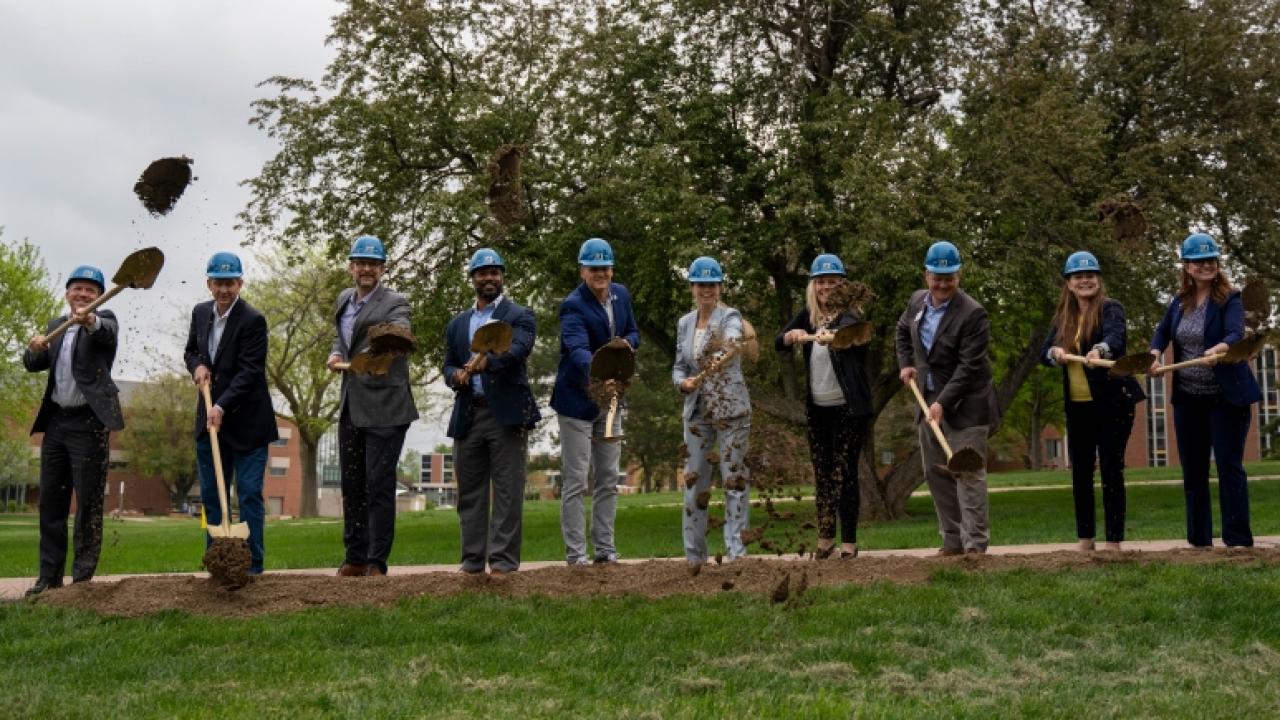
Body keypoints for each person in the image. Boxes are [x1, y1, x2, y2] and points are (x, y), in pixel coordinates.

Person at [1149, 233, 1261, 548]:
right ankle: (1199, 542)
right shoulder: (1178, 302)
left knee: (1228, 466)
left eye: (1210, 260)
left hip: (1225, 398)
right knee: (1194, 471)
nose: (1206, 265)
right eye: (1199, 262)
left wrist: (1222, 348)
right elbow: (1161, 333)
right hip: (1189, 399)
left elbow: (1235, 332)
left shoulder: (1230, 298)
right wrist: (1155, 354)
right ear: (1187, 266)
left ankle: (1238, 540)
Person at [21, 265, 125, 596]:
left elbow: (105, 333)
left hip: (89, 424)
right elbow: (31, 364)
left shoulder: (104, 319)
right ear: (68, 293)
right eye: (77, 289)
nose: (83, 294)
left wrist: (89, 320)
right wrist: (34, 347)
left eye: (90, 290)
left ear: (98, 296)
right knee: (51, 502)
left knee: (88, 503)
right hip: (56, 425)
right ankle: (48, 579)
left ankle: (81, 583)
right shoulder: (55, 326)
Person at [895, 241, 999, 555]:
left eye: (949, 277)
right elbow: (901, 331)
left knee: (967, 473)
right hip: (926, 400)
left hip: (967, 405)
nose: (942, 283)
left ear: (958, 275)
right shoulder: (916, 302)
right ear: (926, 274)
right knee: (936, 473)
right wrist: (906, 365)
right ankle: (952, 543)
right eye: (937, 276)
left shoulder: (973, 314)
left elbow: (969, 368)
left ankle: (975, 548)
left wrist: (942, 402)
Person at [443, 248, 540, 575]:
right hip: (469, 414)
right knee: (469, 494)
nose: (489, 278)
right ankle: (471, 563)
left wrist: (486, 361)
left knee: (508, 492)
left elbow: (518, 349)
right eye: (482, 273)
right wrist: (454, 375)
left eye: (495, 272)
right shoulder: (458, 324)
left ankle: (503, 563)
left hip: (507, 414)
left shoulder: (519, 315)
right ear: (472, 278)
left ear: (502, 278)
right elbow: (448, 363)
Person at [326, 235, 419, 576]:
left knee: (378, 484)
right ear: (352, 266)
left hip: (386, 407)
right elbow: (343, 337)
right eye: (360, 263)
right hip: (352, 402)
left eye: (372, 264)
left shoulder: (396, 302)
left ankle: (376, 562)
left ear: (382, 268)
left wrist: (382, 347)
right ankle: (355, 557)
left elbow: (399, 332)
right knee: (352, 484)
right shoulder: (343, 300)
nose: (366, 269)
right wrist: (336, 354)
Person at [1041, 251, 1145, 551]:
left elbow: (1116, 338)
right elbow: (1044, 351)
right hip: (1078, 406)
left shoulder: (1112, 308)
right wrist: (1054, 353)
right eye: (1078, 276)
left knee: (1111, 470)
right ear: (1069, 283)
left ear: (1098, 280)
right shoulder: (1063, 317)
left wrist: (1099, 351)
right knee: (1081, 472)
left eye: (1090, 275)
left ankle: (1114, 542)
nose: (1085, 280)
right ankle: (1085, 539)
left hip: (1113, 402)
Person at [184, 251, 278, 576]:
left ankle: (252, 564)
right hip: (209, 423)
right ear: (209, 283)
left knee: (249, 493)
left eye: (230, 283)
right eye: (219, 283)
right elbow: (192, 350)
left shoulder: (253, 320)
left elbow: (250, 372)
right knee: (211, 494)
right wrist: (197, 366)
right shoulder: (199, 313)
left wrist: (221, 405)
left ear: (240, 283)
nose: (224, 289)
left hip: (248, 423)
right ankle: (218, 562)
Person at [550, 238, 640, 566]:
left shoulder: (622, 295)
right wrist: (600, 371)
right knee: (576, 479)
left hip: (612, 400)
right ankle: (576, 557)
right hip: (577, 399)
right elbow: (575, 349)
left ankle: (606, 550)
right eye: (593, 268)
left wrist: (625, 344)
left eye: (605, 267)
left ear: (611, 269)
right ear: (582, 271)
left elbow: (634, 332)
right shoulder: (573, 305)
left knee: (608, 476)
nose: (600, 273)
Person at [777, 253, 873, 559]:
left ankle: (849, 543)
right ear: (813, 286)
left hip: (849, 408)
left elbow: (848, 337)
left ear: (842, 285)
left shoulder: (852, 317)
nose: (826, 288)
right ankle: (825, 538)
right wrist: (791, 335)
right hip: (818, 408)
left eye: (832, 282)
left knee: (844, 474)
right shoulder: (808, 315)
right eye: (821, 282)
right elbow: (779, 342)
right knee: (823, 473)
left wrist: (825, 337)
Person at [673, 257, 752, 568]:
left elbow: (732, 339)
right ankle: (694, 557)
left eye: (712, 284)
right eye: (700, 284)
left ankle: (737, 556)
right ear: (693, 287)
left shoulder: (730, 316)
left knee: (734, 482)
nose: (706, 289)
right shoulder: (684, 323)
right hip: (697, 414)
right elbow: (679, 366)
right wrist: (682, 383)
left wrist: (715, 359)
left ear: (720, 287)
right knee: (695, 485)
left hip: (731, 410)